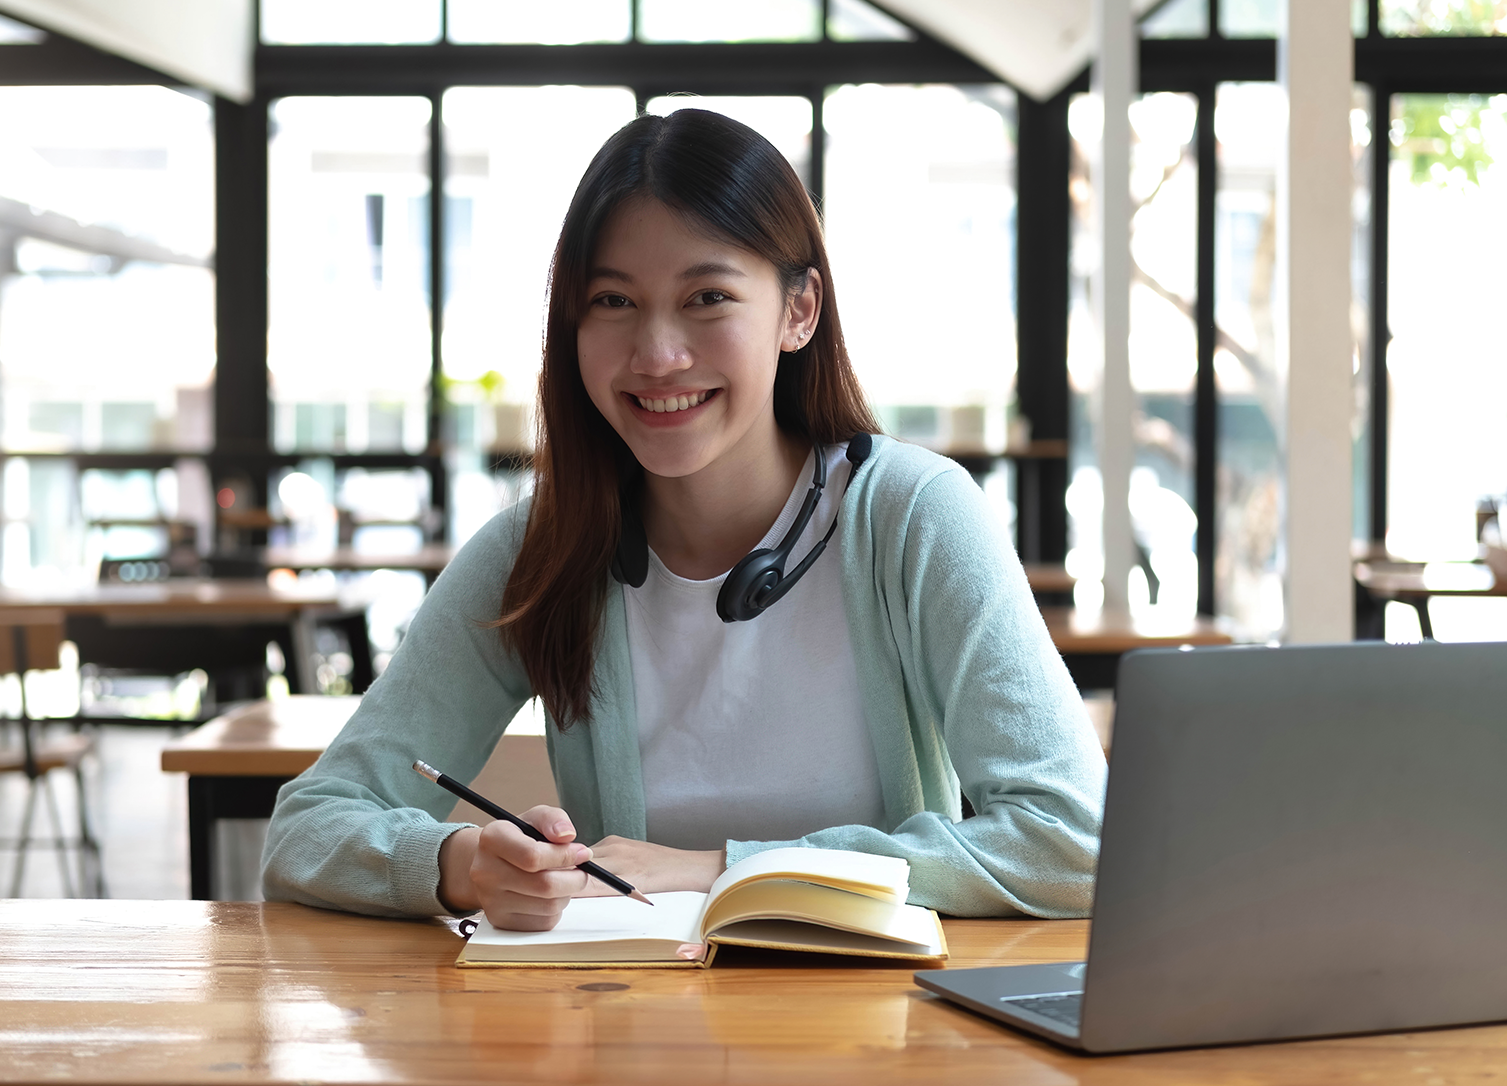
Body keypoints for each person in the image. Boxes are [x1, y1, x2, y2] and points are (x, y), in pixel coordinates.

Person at [262, 109, 1106, 930]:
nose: (657, 354)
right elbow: (308, 827)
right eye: (613, 302)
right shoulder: (540, 548)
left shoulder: (913, 517)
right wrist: (463, 865)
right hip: (628, 1032)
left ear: (798, 311)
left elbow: (1074, 841)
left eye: (707, 296)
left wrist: (725, 871)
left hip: (877, 1037)